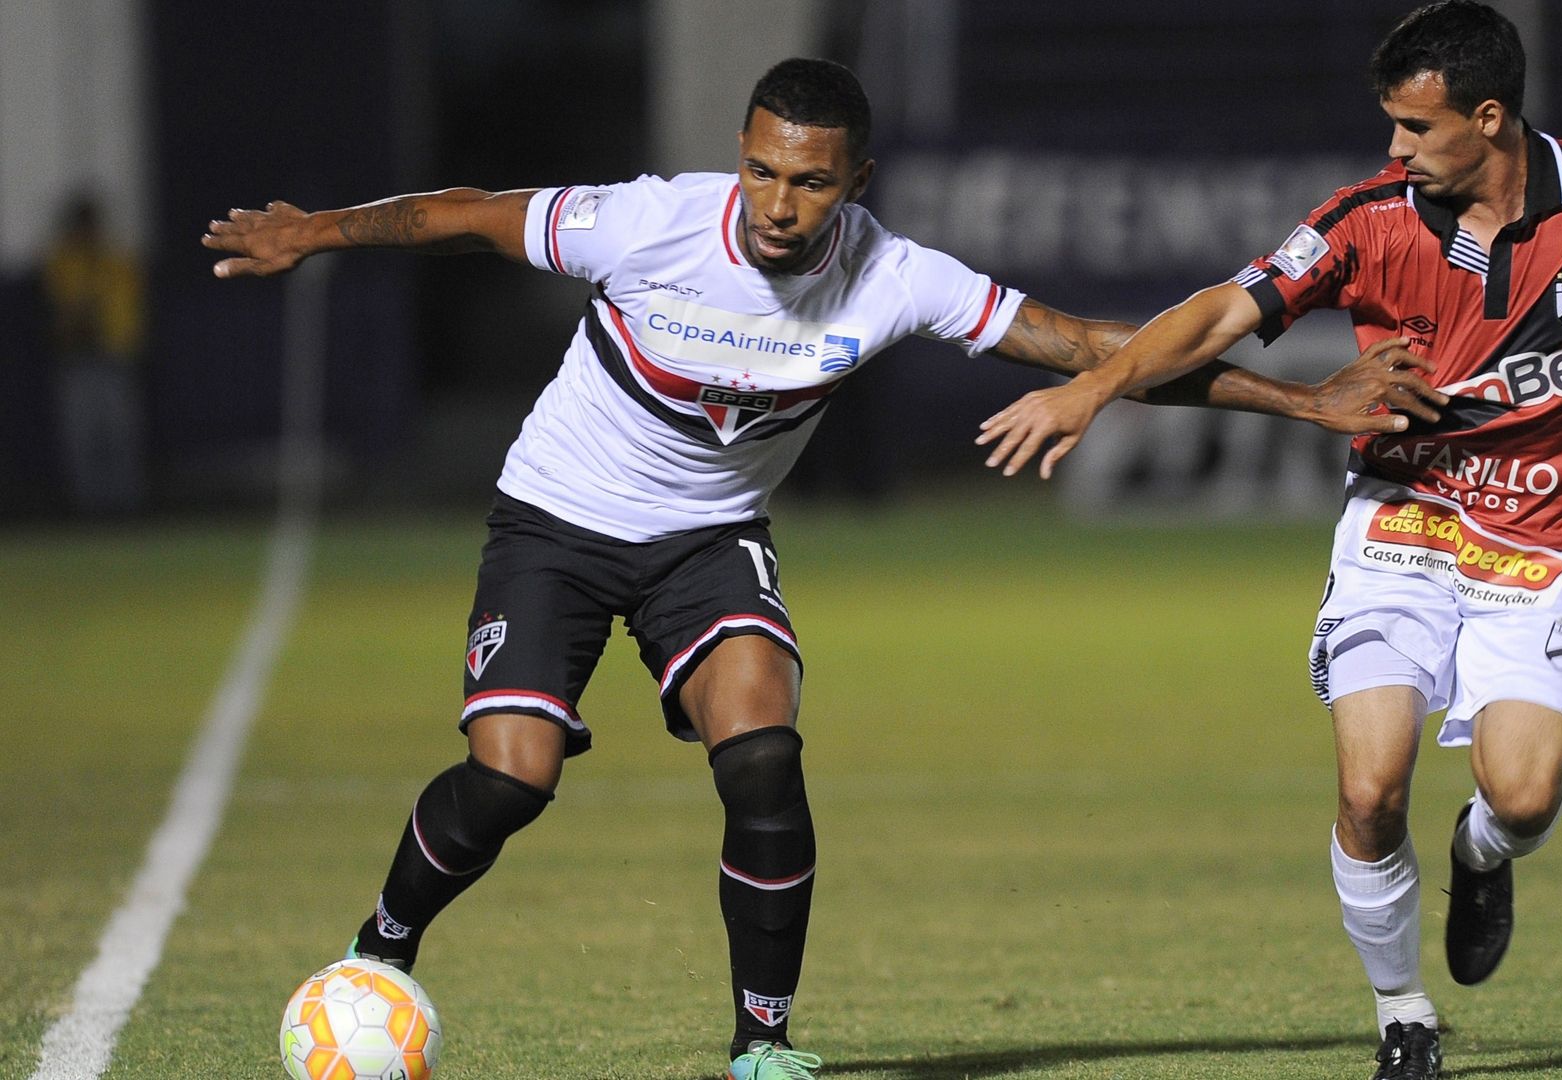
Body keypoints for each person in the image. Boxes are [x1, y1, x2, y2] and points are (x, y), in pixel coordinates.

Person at [205, 58, 1445, 1080]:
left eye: (807, 181)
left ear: (854, 181)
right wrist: (314, 232)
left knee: (763, 753)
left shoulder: (898, 278)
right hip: (558, 524)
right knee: (515, 778)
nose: (776, 203)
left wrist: (1304, 401)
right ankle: (383, 946)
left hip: (708, 539)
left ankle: (765, 1043)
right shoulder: (647, 223)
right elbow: (465, 212)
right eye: (759, 169)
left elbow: (1094, 345)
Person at [977, 5, 1562, 1077]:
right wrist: (1098, 388)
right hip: (1403, 527)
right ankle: (1403, 1018)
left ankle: (1483, 854)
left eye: (1416, 129)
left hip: (1547, 541)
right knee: (1368, 785)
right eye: (1390, 126)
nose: (1394, 150)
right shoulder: (1362, 221)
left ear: (1489, 118)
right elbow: (1216, 312)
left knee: (1521, 799)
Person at [43, 193, 149, 515]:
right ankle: (89, 511)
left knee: (119, 436)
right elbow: (62, 316)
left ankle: (126, 508)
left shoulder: (117, 261)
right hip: (76, 361)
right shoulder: (63, 262)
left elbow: (129, 314)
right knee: (82, 441)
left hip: (113, 359)